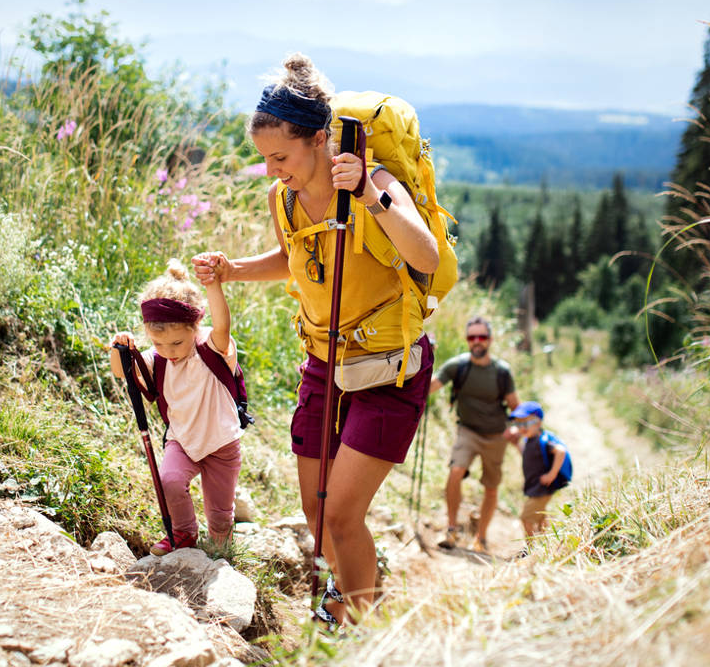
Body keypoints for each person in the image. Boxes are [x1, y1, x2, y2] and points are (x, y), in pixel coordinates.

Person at [192, 53, 438, 627]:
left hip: (388, 369)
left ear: (321, 139)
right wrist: (233, 270)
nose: (273, 170)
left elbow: (424, 253)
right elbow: (294, 257)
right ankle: (353, 598)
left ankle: (360, 628)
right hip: (324, 363)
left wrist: (373, 199)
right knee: (316, 511)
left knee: (344, 515)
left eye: (281, 156)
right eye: (265, 159)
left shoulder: (374, 182)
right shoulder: (284, 197)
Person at [109, 258, 242, 556]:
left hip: (221, 443)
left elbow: (222, 324)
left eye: (177, 343)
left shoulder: (211, 347)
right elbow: (122, 371)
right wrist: (118, 348)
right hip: (182, 439)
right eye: (159, 344)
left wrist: (213, 285)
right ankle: (184, 534)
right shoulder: (158, 360)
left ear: (196, 327)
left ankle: (222, 546)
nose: (169, 352)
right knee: (169, 480)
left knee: (220, 512)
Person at [427, 316, 520, 553]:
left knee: (491, 487)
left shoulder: (501, 372)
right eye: (472, 337)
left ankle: (481, 537)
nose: (477, 342)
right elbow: (430, 386)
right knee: (455, 471)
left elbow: (515, 407)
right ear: (467, 340)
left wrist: (520, 431)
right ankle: (452, 529)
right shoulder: (457, 366)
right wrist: (425, 359)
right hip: (467, 431)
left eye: (482, 337)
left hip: (496, 436)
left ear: (490, 340)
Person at [504, 400, 571, 537]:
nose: (522, 428)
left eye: (526, 423)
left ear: (538, 423)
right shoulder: (529, 441)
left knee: (526, 518)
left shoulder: (543, 440)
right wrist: (517, 444)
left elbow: (560, 451)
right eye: (518, 424)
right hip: (535, 486)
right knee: (540, 517)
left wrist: (552, 474)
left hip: (543, 487)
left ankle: (531, 548)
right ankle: (547, 542)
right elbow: (528, 457)